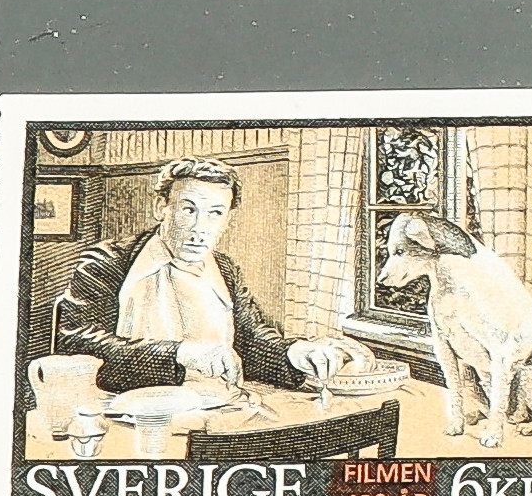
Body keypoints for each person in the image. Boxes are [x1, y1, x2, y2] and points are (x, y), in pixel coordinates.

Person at [50, 157, 347, 396]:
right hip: (124, 411)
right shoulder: (107, 263)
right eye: (188, 210)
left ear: (227, 219)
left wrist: (294, 352)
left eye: (215, 213)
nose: (199, 228)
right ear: (161, 208)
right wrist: (181, 354)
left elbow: (250, 341)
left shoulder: (225, 270)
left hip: (214, 407)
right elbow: (78, 344)